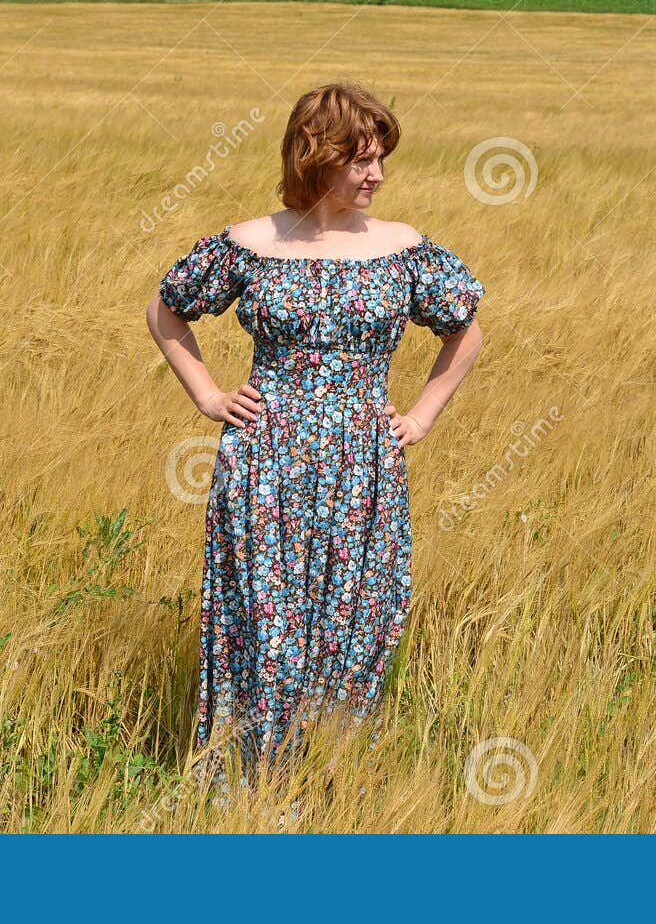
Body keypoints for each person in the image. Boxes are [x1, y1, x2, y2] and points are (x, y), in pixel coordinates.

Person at [146, 81, 485, 807]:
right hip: (264, 464)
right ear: (316, 156)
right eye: (361, 160)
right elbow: (166, 311)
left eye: (382, 159)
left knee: (356, 623)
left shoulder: (403, 249)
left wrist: (421, 417)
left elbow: (466, 329)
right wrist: (208, 395)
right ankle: (244, 793)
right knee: (265, 628)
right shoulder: (250, 244)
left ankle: (328, 782)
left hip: (363, 465)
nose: (377, 175)